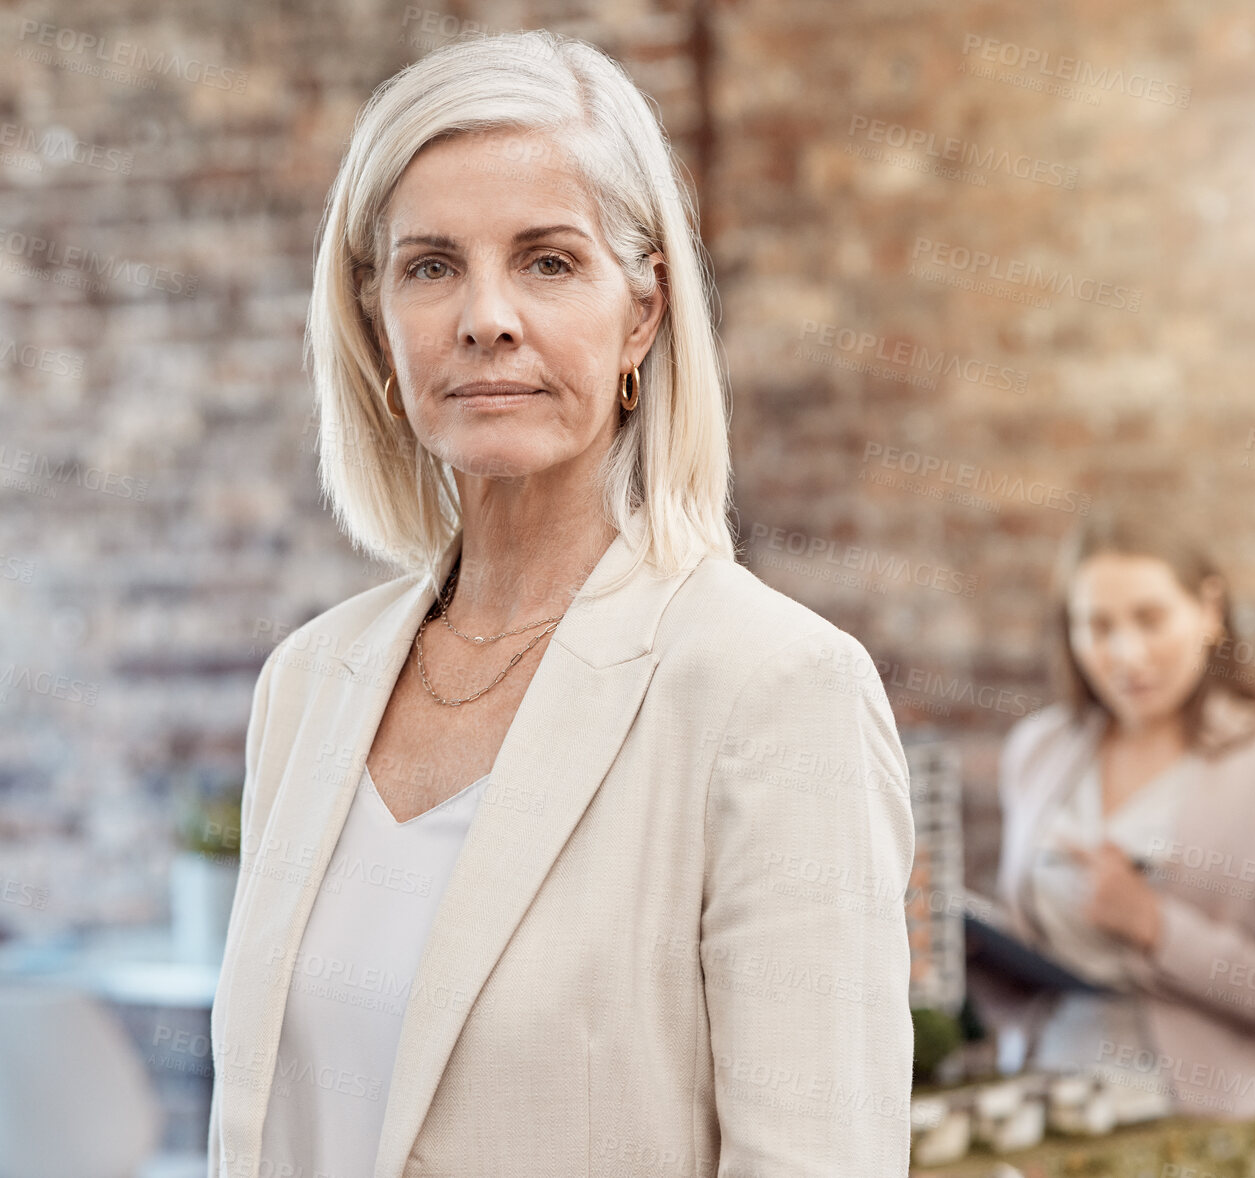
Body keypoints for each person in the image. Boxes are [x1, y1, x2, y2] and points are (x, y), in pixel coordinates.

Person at [207, 32, 915, 1178]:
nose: (485, 316)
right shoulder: (306, 682)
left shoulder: (772, 689)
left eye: (547, 261)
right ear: (377, 318)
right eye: (431, 265)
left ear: (642, 313)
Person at [993, 504, 1255, 1118]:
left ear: (1210, 611)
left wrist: (1154, 926)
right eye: (1097, 625)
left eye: (1150, 618)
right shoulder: (1039, 750)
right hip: (1054, 1114)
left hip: (1222, 1129)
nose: (1125, 654)